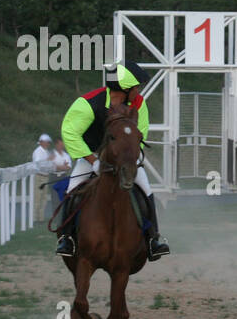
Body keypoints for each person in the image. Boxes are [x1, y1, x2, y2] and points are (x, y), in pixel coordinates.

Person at [55, 62, 172, 260]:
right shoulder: (88, 102)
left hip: (126, 160)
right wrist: (94, 161)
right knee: (72, 190)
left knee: (146, 189)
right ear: (125, 89)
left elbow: (139, 135)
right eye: (136, 87)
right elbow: (70, 133)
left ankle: (154, 239)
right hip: (90, 157)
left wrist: (129, 160)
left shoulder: (139, 104)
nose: (139, 91)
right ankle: (67, 238)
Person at [30, 133, 56, 222]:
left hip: (45, 176)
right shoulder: (38, 151)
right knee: (37, 198)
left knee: (43, 198)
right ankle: (34, 218)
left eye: (48, 142)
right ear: (41, 142)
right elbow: (38, 164)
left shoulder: (46, 151)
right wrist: (49, 159)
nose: (48, 144)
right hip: (39, 176)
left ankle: (40, 218)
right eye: (47, 142)